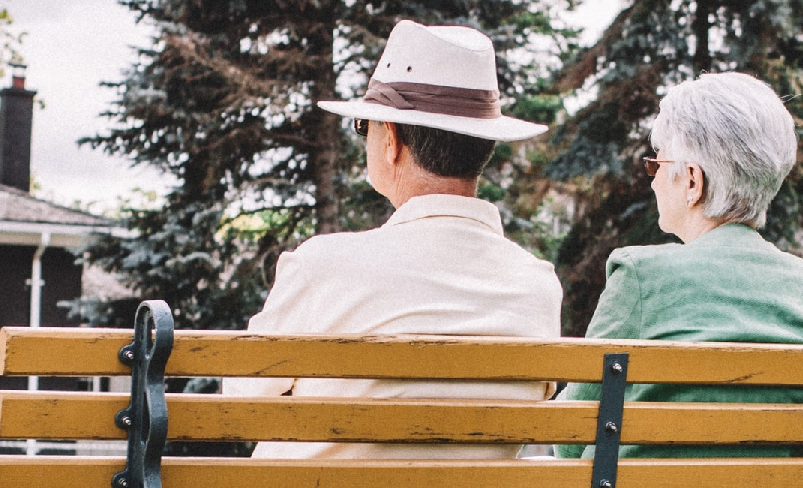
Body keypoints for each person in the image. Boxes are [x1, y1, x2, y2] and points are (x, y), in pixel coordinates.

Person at [222, 20, 561, 459]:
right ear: (485, 148)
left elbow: (237, 403)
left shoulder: (322, 266)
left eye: (366, 126)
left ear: (392, 142)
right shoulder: (538, 286)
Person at [554, 72, 803, 459]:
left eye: (655, 164)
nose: (654, 181)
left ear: (692, 180)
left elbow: (569, 436)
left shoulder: (641, 277)